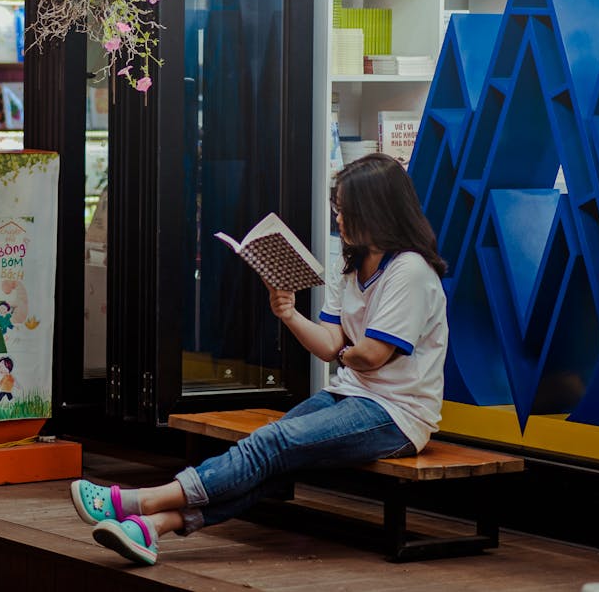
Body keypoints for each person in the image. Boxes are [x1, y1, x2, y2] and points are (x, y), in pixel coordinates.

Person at [68, 153, 449, 566]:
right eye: (337, 207)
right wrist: (288, 313)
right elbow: (331, 346)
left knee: (274, 442)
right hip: (352, 394)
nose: (338, 217)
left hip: (397, 415)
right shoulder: (353, 264)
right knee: (271, 458)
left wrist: (346, 354)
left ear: (377, 211)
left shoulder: (408, 271)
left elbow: (372, 355)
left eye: (345, 209)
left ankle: (136, 502)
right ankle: (152, 529)